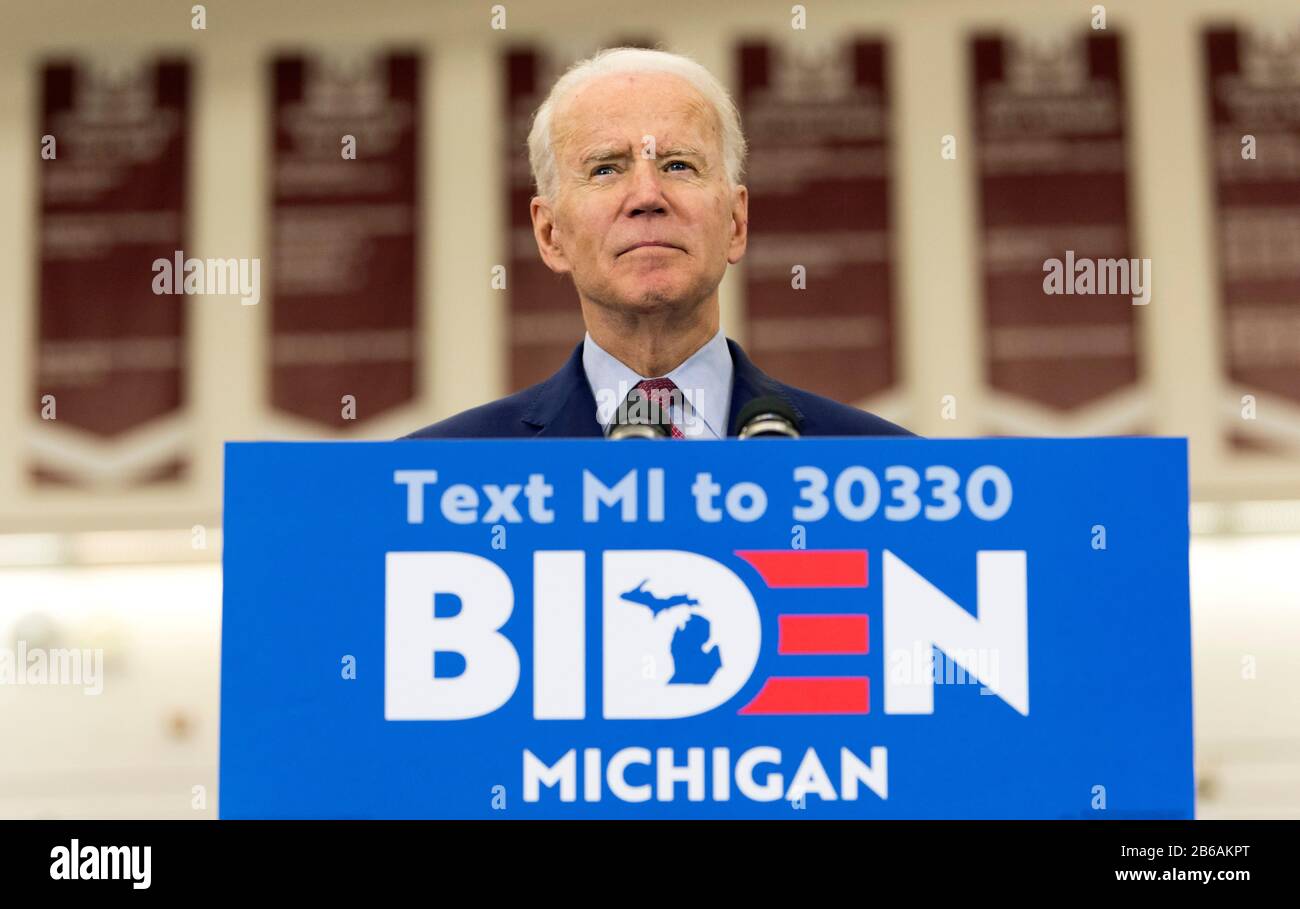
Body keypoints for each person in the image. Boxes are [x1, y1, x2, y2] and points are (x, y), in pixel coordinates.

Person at [406, 47, 911, 440]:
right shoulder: (437, 478)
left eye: (678, 165)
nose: (647, 196)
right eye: (606, 169)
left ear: (736, 221)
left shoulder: (883, 467)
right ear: (550, 234)